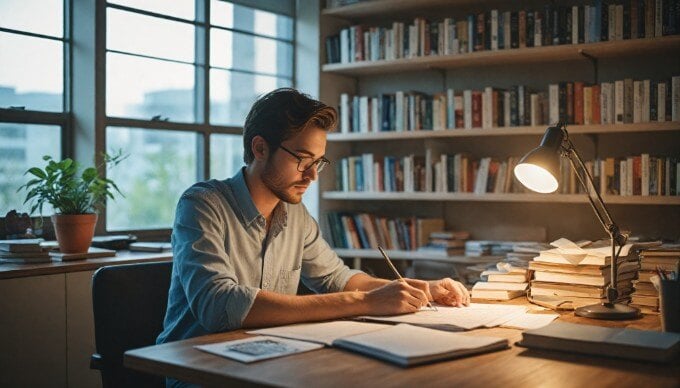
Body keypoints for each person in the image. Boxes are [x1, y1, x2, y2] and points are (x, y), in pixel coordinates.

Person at [157, 88, 470, 349]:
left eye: (318, 163)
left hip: (265, 360)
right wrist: (364, 302)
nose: (311, 176)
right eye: (302, 160)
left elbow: (337, 279)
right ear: (260, 148)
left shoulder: (295, 214)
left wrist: (422, 289)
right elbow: (219, 306)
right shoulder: (201, 205)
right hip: (198, 370)